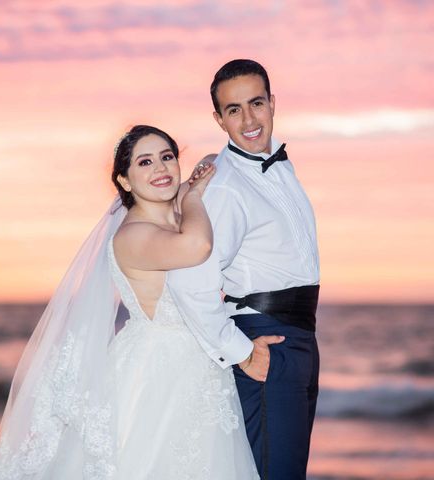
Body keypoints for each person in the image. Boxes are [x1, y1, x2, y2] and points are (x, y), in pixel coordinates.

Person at [0, 125, 259, 479]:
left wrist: (193, 181)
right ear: (125, 182)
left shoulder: (173, 217)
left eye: (167, 157)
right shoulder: (133, 234)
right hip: (159, 375)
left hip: (197, 371)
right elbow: (198, 247)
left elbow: (211, 161)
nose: (160, 169)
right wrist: (191, 195)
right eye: (144, 162)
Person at [167, 59, 321, 479]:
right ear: (219, 119)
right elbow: (188, 280)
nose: (249, 119)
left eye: (256, 103)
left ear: (273, 103)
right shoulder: (226, 188)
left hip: (301, 338)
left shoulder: (277, 165)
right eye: (234, 110)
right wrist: (241, 353)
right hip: (266, 341)